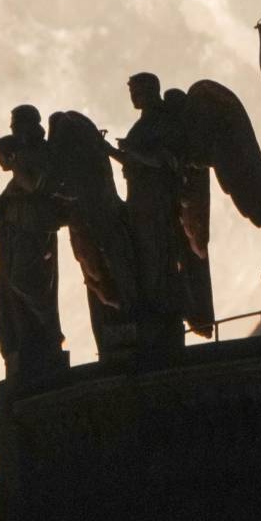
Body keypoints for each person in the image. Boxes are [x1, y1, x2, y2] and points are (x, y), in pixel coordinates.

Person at [105, 73, 186, 354]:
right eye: (131, 91)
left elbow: (167, 162)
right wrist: (108, 150)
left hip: (156, 201)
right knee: (142, 255)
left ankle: (161, 312)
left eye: (137, 91)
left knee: (155, 256)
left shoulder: (163, 121)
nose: (133, 97)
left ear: (151, 91)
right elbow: (133, 159)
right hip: (139, 198)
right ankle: (150, 307)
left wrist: (132, 151)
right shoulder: (144, 124)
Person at [0, 135, 65, 377]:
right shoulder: (14, 182)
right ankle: (21, 345)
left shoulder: (28, 175)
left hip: (30, 242)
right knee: (5, 300)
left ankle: (48, 335)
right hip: (11, 246)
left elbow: (35, 190)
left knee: (25, 284)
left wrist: (17, 167)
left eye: (0, 156)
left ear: (12, 155)